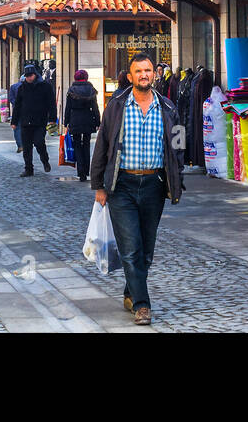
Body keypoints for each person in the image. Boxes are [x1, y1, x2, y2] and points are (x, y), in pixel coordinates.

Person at [90, 53, 184, 327]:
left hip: (154, 185)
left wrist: (175, 178)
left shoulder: (169, 107)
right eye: (138, 71)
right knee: (131, 249)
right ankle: (143, 306)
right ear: (129, 76)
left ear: (154, 73)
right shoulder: (116, 106)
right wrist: (99, 185)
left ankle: (131, 292)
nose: (144, 74)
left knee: (146, 251)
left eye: (148, 70)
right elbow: (102, 146)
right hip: (122, 186)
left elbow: (178, 145)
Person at [10, 64, 55, 177]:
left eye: (31, 75)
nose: (29, 78)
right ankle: (28, 169)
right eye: (27, 76)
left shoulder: (45, 86)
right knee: (27, 147)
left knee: (39, 142)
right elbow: (17, 106)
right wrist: (14, 121)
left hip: (40, 120)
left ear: (35, 74)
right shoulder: (22, 88)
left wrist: (52, 119)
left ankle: (45, 161)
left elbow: (51, 104)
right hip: (25, 121)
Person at [63, 69, 100, 183]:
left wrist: (66, 122)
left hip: (75, 118)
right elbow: (95, 107)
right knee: (87, 144)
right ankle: (86, 169)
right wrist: (98, 122)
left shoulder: (71, 90)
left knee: (77, 144)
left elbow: (68, 108)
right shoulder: (91, 90)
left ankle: (81, 171)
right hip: (88, 118)